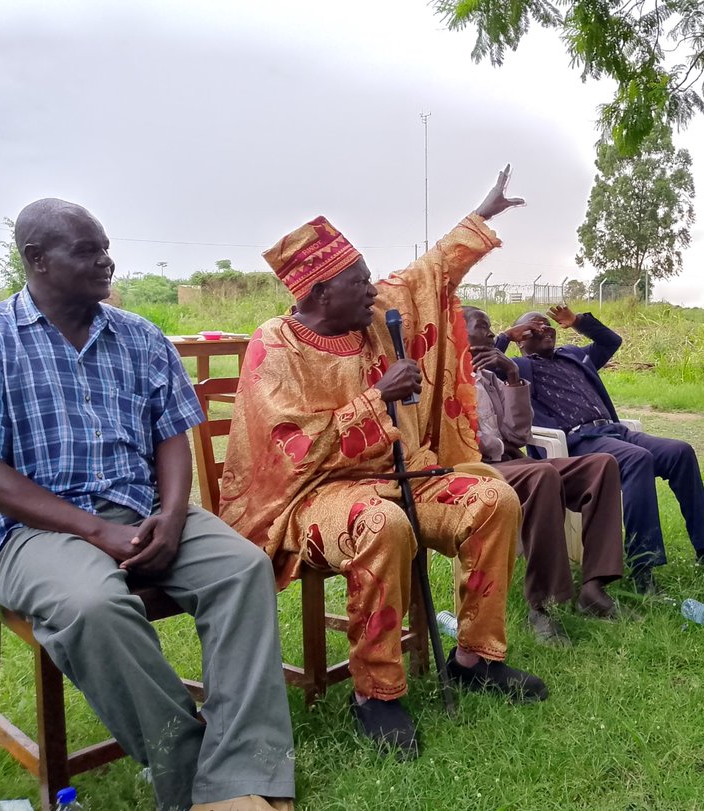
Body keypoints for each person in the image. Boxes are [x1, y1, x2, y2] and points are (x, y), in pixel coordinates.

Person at [0, 200, 295, 811]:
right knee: (91, 604)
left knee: (242, 568)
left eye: (106, 246)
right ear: (36, 260)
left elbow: (172, 433)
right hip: (28, 529)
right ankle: (192, 776)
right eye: (88, 251)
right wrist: (96, 533)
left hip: (139, 509)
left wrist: (171, 515)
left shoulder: (139, 336)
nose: (106, 261)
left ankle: (245, 769)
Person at [220, 166, 545, 761]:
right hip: (315, 497)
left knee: (493, 498)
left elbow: (427, 274)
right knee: (382, 525)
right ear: (319, 293)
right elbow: (296, 449)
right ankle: (376, 693)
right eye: (360, 282)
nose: (375, 291)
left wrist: (483, 213)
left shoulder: (371, 317)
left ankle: (476, 657)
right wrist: (378, 400)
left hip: (402, 474)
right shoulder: (275, 346)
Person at [496, 307, 704, 595]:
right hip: (577, 442)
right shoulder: (519, 367)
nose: (545, 330)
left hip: (615, 432)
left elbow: (611, 341)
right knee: (637, 459)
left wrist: (578, 322)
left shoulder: (574, 355)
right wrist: (506, 336)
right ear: (522, 340)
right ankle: (643, 567)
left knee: (680, 452)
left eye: (548, 326)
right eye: (534, 329)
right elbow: (481, 361)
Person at [462, 305, 624, 645]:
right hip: (473, 468)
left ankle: (594, 586)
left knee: (602, 464)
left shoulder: (492, 377)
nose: (491, 334)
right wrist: (507, 342)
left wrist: (513, 379)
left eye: (493, 329)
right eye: (483, 327)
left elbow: (518, 436)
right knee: (541, 475)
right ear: (458, 333)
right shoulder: (444, 377)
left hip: (509, 461)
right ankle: (543, 605)